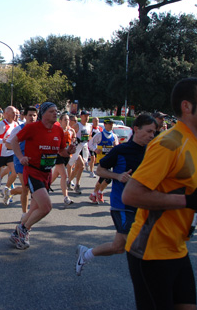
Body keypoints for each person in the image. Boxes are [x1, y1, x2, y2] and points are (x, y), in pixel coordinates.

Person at [122, 78, 197, 309]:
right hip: (151, 251)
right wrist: (188, 200)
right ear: (187, 107)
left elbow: (179, 189)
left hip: (177, 248)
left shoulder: (192, 142)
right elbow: (131, 195)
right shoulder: (169, 143)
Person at [75, 114, 157, 276]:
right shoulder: (121, 150)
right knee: (135, 243)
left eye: (153, 132)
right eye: (148, 131)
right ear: (136, 129)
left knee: (118, 247)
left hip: (144, 205)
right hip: (122, 204)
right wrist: (118, 176)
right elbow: (100, 170)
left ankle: (86, 254)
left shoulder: (153, 152)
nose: (151, 136)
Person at [8, 102, 73, 250]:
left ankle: (17, 232)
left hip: (47, 172)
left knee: (34, 209)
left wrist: (69, 150)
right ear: (43, 114)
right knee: (46, 207)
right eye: (51, 111)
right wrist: (20, 157)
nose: (55, 113)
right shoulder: (32, 128)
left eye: (56, 111)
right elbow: (14, 141)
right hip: (32, 171)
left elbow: (62, 151)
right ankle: (24, 231)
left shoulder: (58, 130)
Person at [87, 118, 119, 204]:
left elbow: (116, 148)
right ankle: (97, 193)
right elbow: (90, 143)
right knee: (104, 178)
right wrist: (95, 149)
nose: (111, 125)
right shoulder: (99, 135)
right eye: (109, 124)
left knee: (108, 179)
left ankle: (95, 193)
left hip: (110, 160)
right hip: (102, 160)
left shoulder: (114, 136)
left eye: (112, 124)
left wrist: (116, 147)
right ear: (105, 125)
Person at [67, 110, 92, 194]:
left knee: (80, 167)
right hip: (76, 149)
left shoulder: (89, 126)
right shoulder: (77, 126)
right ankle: (77, 184)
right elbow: (69, 135)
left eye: (88, 116)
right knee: (80, 165)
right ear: (81, 116)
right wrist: (74, 140)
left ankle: (70, 181)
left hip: (84, 149)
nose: (87, 117)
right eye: (85, 116)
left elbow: (89, 137)